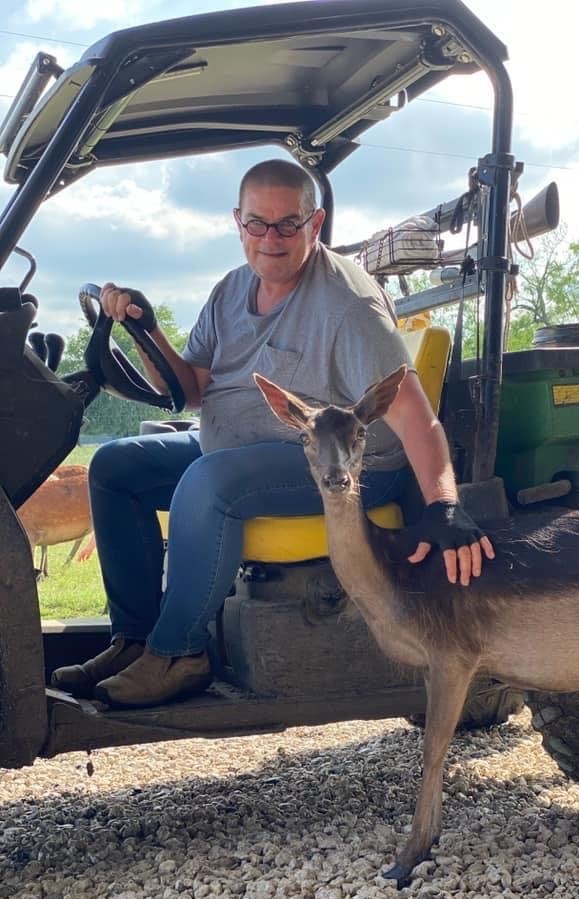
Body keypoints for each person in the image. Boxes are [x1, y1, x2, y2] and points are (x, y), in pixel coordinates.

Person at [52, 159, 494, 708]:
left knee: (210, 482)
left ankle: (180, 652)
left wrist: (444, 505)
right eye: (258, 224)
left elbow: (414, 416)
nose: (271, 239)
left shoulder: (346, 304)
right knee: (116, 466)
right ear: (238, 222)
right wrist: (146, 327)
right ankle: (135, 640)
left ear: (316, 223)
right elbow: (190, 390)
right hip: (238, 451)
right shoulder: (231, 289)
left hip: (341, 467)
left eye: (289, 224)